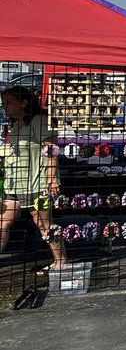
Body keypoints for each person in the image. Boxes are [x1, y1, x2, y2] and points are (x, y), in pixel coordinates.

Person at [1, 86, 67, 269]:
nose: (5, 106)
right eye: (4, 102)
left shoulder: (40, 121)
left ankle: (61, 262)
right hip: (14, 184)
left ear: (24, 103)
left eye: (9, 102)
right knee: (2, 222)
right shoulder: (15, 125)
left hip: (37, 184)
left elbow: (52, 150)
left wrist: (51, 179)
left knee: (44, 224)